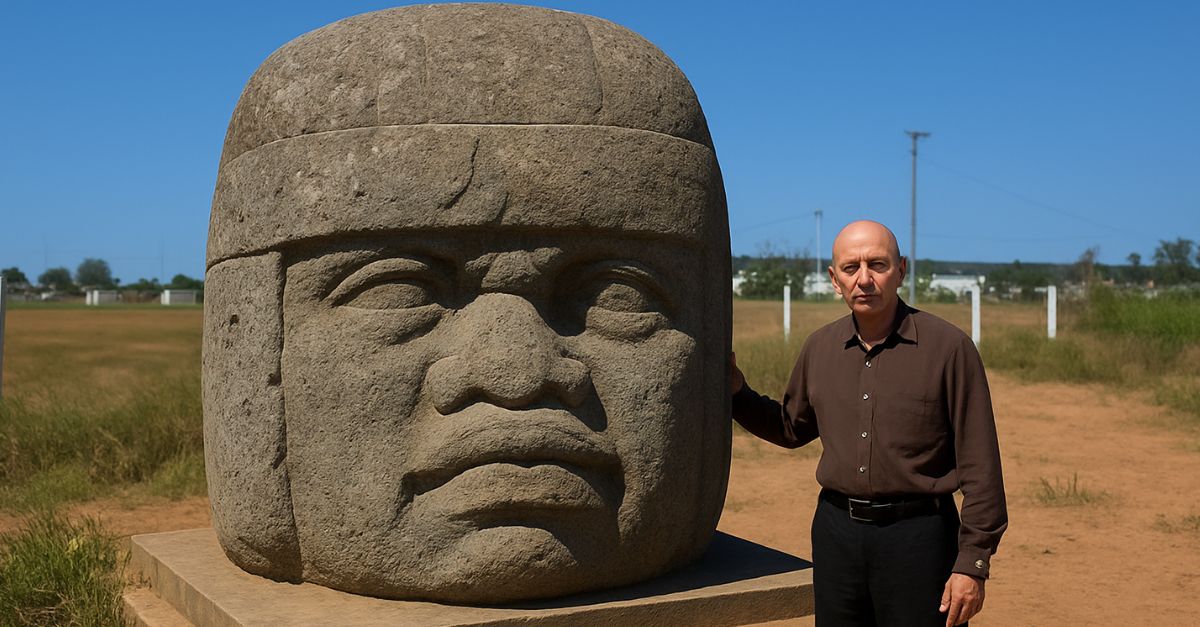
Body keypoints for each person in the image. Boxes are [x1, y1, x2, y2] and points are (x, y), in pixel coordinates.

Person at [730, 220, 1007, 626]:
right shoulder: (819, 347)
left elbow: (981, 467)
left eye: (877, 264)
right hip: (836, 536)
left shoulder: (950, 349)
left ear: (901, 270)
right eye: (850, 268)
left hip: (920, 539)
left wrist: (972, 564)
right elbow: (791, 427)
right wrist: (737, 393)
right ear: (833, 279)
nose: (864, 279)